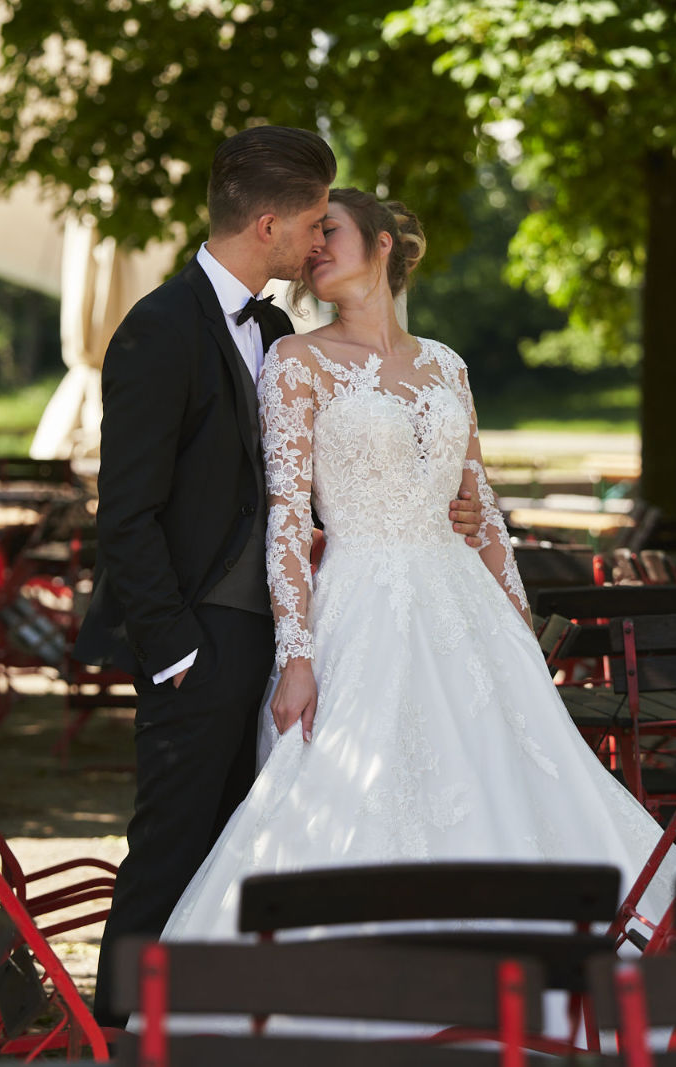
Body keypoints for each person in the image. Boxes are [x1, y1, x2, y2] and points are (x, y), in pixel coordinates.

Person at [160, 188, 676, 953]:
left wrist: (520, 631)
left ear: (381, 244)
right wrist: (297, 654)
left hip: (466, 611)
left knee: (516, 786)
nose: (313, 249)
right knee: (357, 795)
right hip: (359, 610)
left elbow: (484, 509)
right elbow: (285, 516)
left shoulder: (447, 365)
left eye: (329, 231)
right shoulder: (294, 361)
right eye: (308, 238)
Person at [76, 134, 485, 1028]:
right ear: (269, 223)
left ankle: (206, 1022)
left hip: (295, 626)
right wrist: (175, 648)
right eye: (310, 222)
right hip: (199, 635)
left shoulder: (273, 332)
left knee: (240, 840)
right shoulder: (157, 328)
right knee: (171, 843)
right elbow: (127, 515)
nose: (315, 244)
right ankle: (113, 1031)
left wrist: (411, 512)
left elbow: (286, 483)